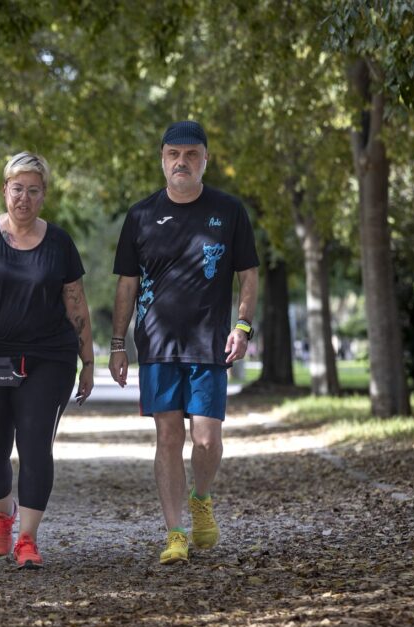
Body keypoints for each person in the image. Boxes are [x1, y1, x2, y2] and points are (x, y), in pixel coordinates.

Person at [109, 121, 259, 565]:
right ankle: (175, 531)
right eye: (174, 154)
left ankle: (202, 498)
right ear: (162, 159)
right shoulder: (140, 215)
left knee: (207, 439)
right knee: (168, 435)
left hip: (210, 343)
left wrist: (244, 325)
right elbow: (126, 285)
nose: (182, 162)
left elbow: (248, 273)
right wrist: (118, 343)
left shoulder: (229, 211)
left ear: (205, 160)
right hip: (156, 344)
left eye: (191, 155)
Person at [0, 151, 94, 569]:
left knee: (34, 443)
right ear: (4, 190)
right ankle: (3, 511)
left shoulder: (60, 243)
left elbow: (76, 304)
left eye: (33, 190)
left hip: (48, 356)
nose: (23, 198)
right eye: (17, 189)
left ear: (43, 195)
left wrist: (89, 361)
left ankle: (27, 539)